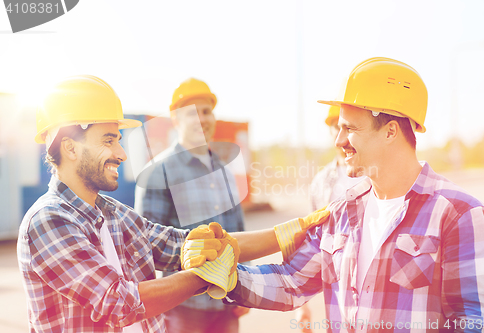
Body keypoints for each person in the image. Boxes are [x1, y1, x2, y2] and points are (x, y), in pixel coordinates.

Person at [184, 57, 484, 332]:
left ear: (390, 131)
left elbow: (476, 322)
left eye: (350, 128)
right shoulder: (343, 211)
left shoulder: (460, 216)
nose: (339, 140)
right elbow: (292, 281)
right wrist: (228, 276)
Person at [17, 75, 330, 333]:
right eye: (108, 140)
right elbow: (118, 303)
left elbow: (181, 244)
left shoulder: (114, 215)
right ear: (70, 148)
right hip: (186, 316)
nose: (122, 154)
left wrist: (289, 232)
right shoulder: (48, 221)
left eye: (118, 141)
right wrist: (210, 275)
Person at [134, 78, 249, 333]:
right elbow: (145, 248)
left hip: (227, 303)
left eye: (206, 111)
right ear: (175, 119)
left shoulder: (225, 171)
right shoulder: (157, 173)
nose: (201, 119)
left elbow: (238, 235)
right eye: (192, 113)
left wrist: (245, 287)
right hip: (183, 310)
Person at [296, 105, 365, 333]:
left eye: (346, 126)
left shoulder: (375, 173)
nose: (340, 133)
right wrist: (302, 306)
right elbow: (309, 243)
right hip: (337, 289)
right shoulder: (321, 183)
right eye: (335, 126)